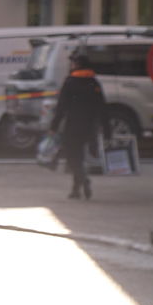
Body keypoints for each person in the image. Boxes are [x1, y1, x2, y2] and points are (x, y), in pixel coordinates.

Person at [50, 53, 106, 200]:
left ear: (78, 65)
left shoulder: (70, 82)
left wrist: (54, 126)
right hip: (89, 126)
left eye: (73, 63)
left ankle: (83, 180)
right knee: (80, 156)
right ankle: (76, 189)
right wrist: (107, 128)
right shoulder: (94, 83)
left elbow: (61, 107)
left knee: (73, 157)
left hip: (73, 126)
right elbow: (102, 107)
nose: (72, 65)